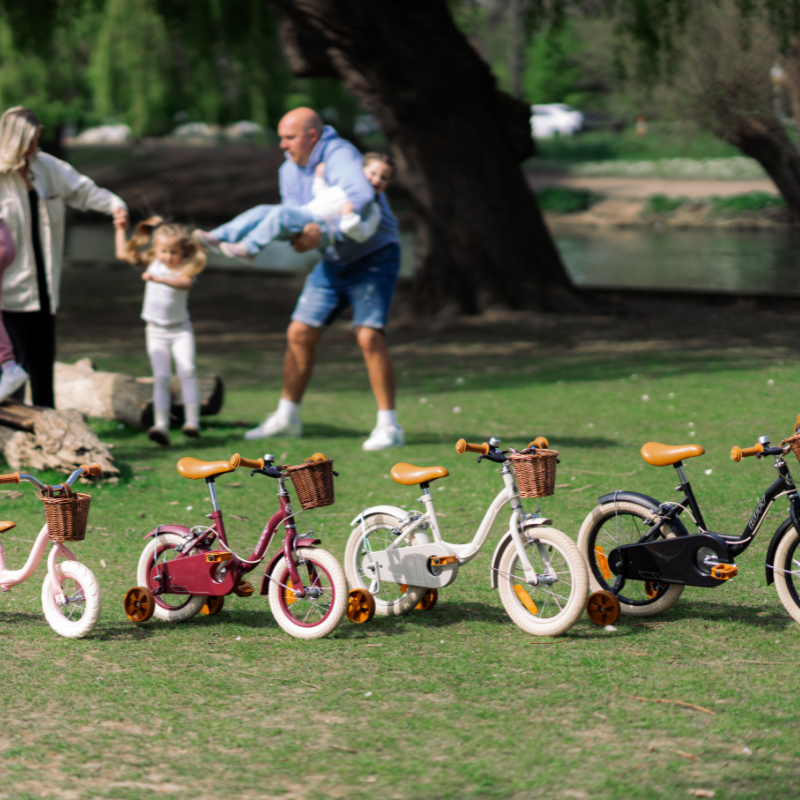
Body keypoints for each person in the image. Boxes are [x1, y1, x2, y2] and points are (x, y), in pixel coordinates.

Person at [244, 108, 403, 451]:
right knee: (299, 332)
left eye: (289, 137)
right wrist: (302, 238)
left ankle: (389, 427)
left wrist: (322, 230)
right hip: (334, 261)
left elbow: (358, 201)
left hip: (374, 257)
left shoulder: (341, 155)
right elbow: (296, 229)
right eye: (281, 137)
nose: (283, 145)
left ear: (311, 136)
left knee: (367, 335)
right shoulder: (288, 170)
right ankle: (288, 418)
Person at [0, 106, 128, 407]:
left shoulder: (48, 167)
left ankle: (49, 433)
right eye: (31, 141)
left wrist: (115, 205)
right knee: (11, 376)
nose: (36, 147)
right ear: (15, 141)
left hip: (45, 292)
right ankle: (11, 438)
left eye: (38, 139)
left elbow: (84, 191)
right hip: (8, 295)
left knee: (42, 372)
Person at [115, 216, 206, 445]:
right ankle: (161, 425)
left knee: (188, 370)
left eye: (173, 252)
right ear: (156, 249)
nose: (167, 256)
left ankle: (192, 422)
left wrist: (161, 278)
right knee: (162, 377)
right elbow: (122, 254)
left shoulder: (185, 269)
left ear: (183, 252)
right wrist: (119, 229)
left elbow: (185, 283)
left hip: (180, 330)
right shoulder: (153, 260)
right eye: (163, 251)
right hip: (155, 331)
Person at [195, 158, 384, 262]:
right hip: (307, 215)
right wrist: (319, 178)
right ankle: (218, 236)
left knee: (282, 213)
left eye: (384, 178)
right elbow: (321, 195)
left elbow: (362, 235)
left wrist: (349, 217)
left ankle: (249, 248)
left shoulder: (373, 208)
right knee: (262, 210)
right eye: (373, 173)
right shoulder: (342, 189)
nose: (376, 180)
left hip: (327, 231)